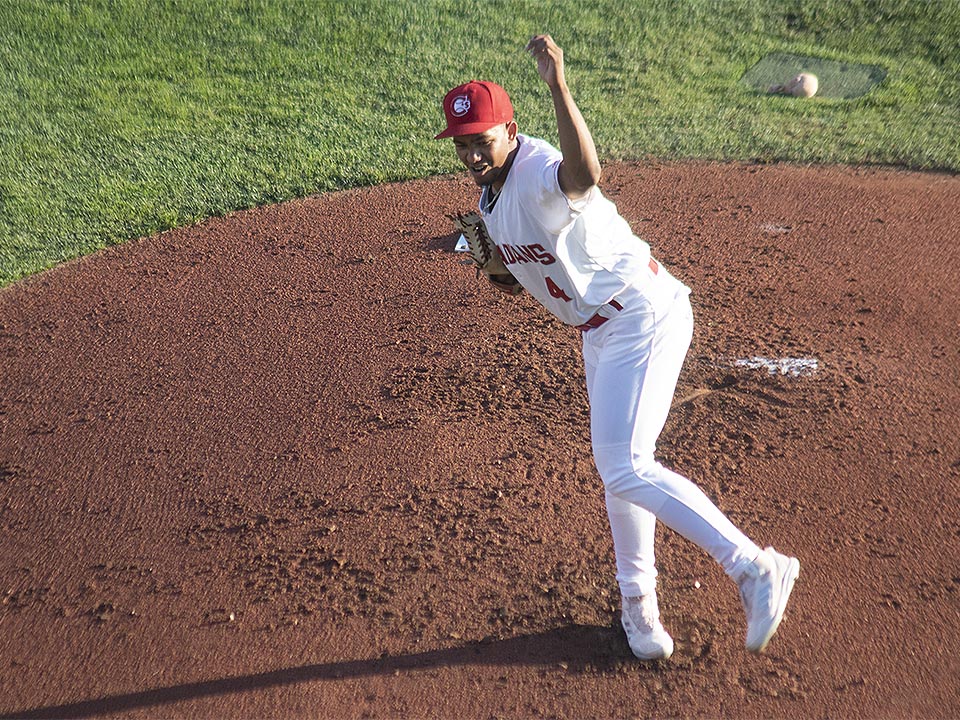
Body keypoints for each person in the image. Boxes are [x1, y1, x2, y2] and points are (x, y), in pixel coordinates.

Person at [435, 34, 800, 660]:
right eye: (463, 143)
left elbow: (584, 175)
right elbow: (523, 263)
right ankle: (639, 606)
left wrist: (559, 87)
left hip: (643, 315)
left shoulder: (537, 171)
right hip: (599, 331)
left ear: (510, 130)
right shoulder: (490, 199)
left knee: (627, 464)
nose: (473, 152)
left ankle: (755, 567)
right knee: (619, 467)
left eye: (483, 139)